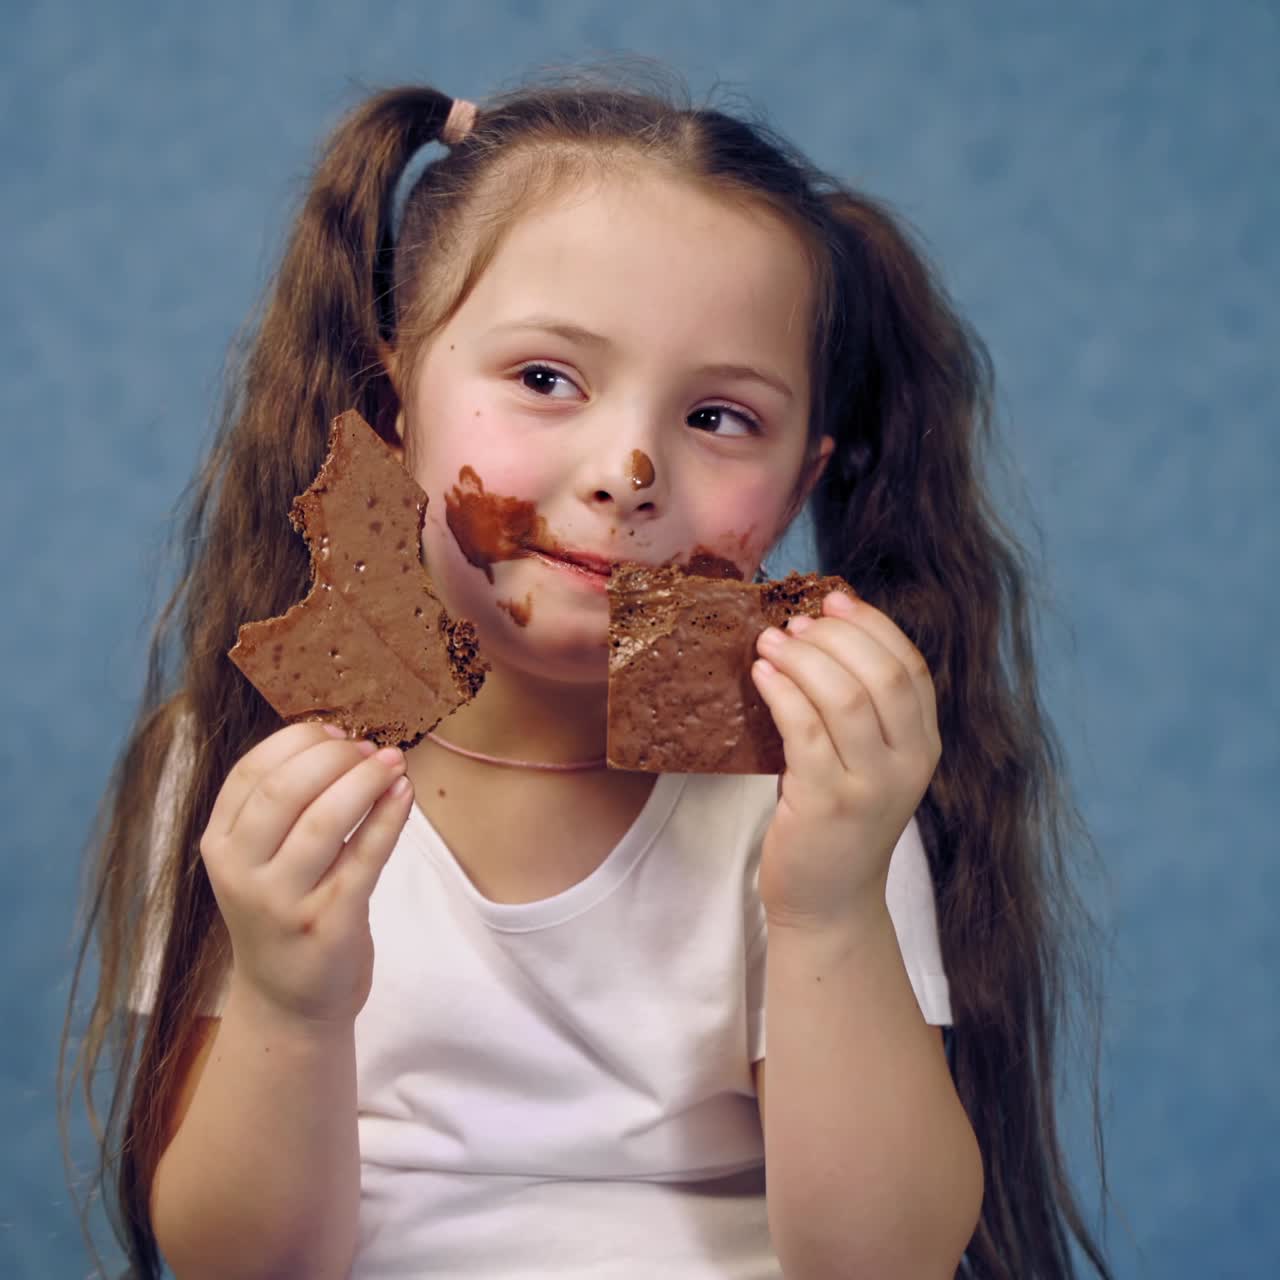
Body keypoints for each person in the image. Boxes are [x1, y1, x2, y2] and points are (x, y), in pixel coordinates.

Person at [63, 74, 1114, 1279]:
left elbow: (879, 1262)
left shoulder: (810, 790)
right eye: (545, 379)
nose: (627, 467)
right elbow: (239, 1264)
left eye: (718, 415)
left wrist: (827, 898)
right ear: (394, 392)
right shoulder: (243, 765)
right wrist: (289, 1000)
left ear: (801, 479)